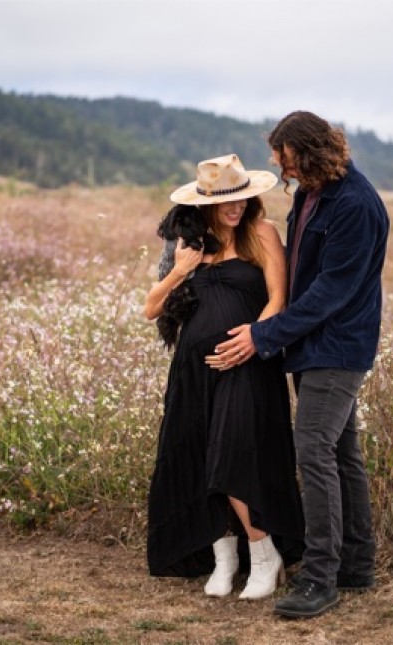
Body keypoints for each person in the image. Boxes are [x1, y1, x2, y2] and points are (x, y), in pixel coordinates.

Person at [210, 112, 390, 617]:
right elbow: (298, 273)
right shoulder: (313, 193)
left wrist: (263, 335)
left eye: (282, 155)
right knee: (341, 454)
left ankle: (320, 578)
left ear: (306, 152)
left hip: (338, 346)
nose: (276, 163)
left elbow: (329, 294)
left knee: (312, 450)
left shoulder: (356, 204)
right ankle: (356, 565)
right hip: (313, 347)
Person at [144, 153, 305, 600]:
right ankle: (224, 556)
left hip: (249, 363)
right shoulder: (193, 243)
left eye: (242, 198)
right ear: (205, 203)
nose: (235, 208)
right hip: (193, 372)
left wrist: (253, 338)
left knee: (230, 455)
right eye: (225, 202)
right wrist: (181, 269)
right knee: (198, 455)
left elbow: (279, 299)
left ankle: (264, 551)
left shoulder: (261, 233)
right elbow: (152, 308)